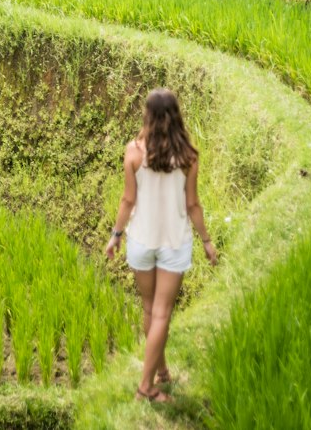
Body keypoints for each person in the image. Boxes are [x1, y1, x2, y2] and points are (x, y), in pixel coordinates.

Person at [105, 88, 218, 404]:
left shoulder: (134, 152)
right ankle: (146, 388)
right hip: (173, 243)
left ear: (148, 116)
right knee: (162, 313)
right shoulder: (188, 157)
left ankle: (162, 372)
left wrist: (115, 236)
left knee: (150, 309)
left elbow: (128, 200)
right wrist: (207, 242)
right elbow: (193, 205)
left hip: (141, 242)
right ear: (176, 116)